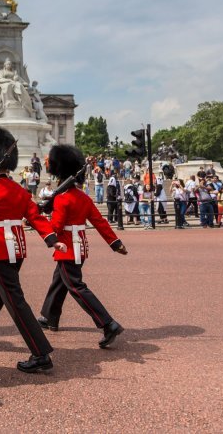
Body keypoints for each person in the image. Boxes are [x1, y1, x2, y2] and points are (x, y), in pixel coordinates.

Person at [0, 126, 66, 373]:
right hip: (18, 249)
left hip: (0, 250)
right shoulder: (19, 190)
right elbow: (36, 217)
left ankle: (40, 352)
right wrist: (52, 240)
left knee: (15, 302)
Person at [38, 144, 129, 349]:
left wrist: (37, 220)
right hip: (80, 247)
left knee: (76, 287)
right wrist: (115, 243)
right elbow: (100, 222)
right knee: (59, 282)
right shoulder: (82, 197)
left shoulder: (62, 199)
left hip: (67, 249)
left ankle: (108, 323)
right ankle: (49, 317)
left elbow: (56, 227)